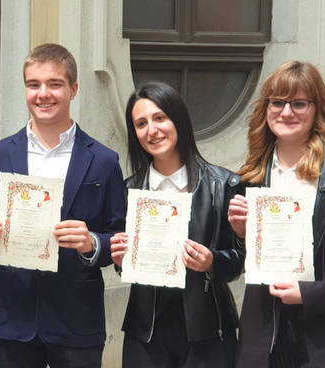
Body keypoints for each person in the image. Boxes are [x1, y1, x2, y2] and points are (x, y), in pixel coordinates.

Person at [0, 43, 126, 367]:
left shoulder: (104, 161)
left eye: (55, 84)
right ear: (25, 89)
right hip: (13, 317)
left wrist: (92, 243)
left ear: (73, 89)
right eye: (34, 84)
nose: (44, 94)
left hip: (77, 319)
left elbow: (120, 238)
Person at [110, 81, 243, 367]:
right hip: (145, 334)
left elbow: (238, 263)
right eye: (141, 123)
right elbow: (122, 261)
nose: (152, 130)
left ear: (178, 120)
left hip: (209, 332)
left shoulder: (223, 185)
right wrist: (121, 259)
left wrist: (211, 262)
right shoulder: (128, 192)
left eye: (160, 118)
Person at [228, 61, 325, 367]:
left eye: (299, 103)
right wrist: (241, 236)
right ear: (265, 109)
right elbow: (237, 263)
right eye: (277, 102)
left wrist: (311, 292)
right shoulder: (250, 178)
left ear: (317, 108)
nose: (286, 112)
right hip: (262, 332)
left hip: (324, 333)